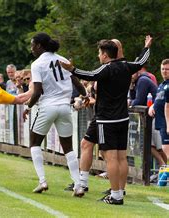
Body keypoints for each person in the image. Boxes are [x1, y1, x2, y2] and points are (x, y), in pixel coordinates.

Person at [60, 35, 152, 205]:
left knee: (110, 158)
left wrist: (71, 69)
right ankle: (118, 190)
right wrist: (146, 47)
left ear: (105, 55)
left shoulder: (106, 69)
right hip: (122, 118)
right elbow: (141, 62)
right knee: (121, 157)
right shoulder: (127, 67)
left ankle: (116, 195)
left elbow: (89, 74)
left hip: (106, 120)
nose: (98, 56)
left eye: (99, 53)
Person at [23, 33, 87, 197]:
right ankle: (78, 185)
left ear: (39, 46)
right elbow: (78, 84)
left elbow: (36, 92)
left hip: (47, 106)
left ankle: (42, 180)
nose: (31, 49)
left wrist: (28, 107)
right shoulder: (63, 59)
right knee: (68, 148)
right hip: (65, 107)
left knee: (34, 142)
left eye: (32, 45)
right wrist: (84, 96)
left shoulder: (37, 64)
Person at [148, 59, 169, 165]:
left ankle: (165, 176)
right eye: (163, 69)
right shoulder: (161, 85)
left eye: (167, 69)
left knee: (166, 151)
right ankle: (163, 171)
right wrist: (152, 106)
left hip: (166, 122)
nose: (164, 71)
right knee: (151, 146)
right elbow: (159, 100)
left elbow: (167, 106)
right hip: (158, 122)